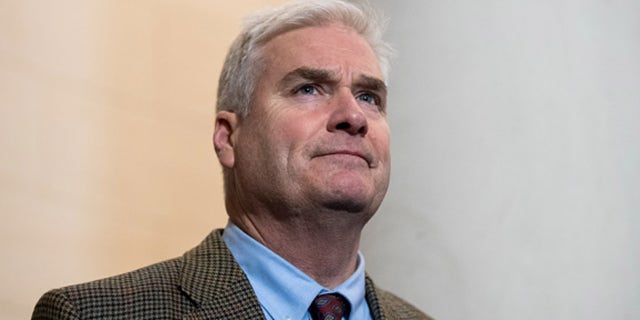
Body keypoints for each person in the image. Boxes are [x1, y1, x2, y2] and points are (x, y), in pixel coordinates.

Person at [32, 0, 432, 319]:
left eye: (369, 97)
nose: (354, 116)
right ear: (228, 138)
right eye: (309, 88)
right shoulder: (92, 314)